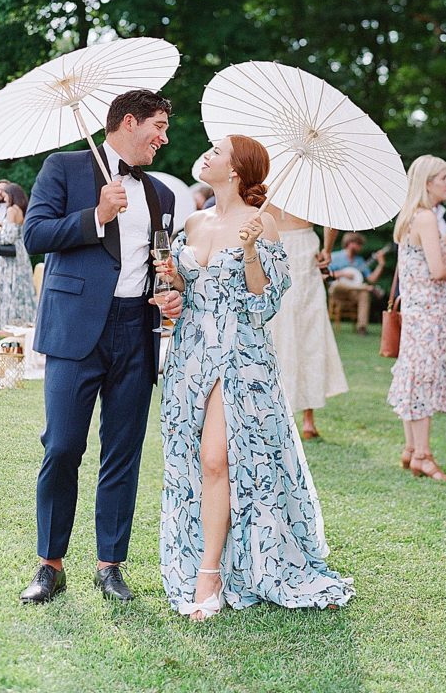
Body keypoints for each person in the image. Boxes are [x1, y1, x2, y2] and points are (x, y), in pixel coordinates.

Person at [158, 135, 355, 620]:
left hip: (239, 356)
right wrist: (172, 287)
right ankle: (212, 557)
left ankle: (211, 575)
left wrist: (249, 253)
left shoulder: (261, 223)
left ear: (239, 169)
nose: (206, 154)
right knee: (192, 462)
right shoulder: (193, 220)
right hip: (189, 354)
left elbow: (265, 303)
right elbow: (187, 288)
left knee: (215, 459)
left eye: (218, 152)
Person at [19, 90, 180, 606]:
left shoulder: (162, 194)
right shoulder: (63, 168)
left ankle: (110, 565)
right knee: (62, 446)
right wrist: (97, 215)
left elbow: (159, 255)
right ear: (128, 122)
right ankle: (50, 563)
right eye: (157, 125)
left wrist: (168, 285)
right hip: (74, 331)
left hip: (136, 330)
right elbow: (35, 234)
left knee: (123, 451)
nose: (163, 137)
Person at [387, 155, 446, 483]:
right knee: (424, 380)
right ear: (428, 182)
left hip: (415, 312)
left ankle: (411, 448)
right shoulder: (427, 218)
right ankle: (423, 455)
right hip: (428, 314)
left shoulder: (409, 217)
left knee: (412, 376)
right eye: (443, 177)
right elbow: (438, 271)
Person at [267, 206, 348, 440]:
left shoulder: (263, 173)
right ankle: (308, 419)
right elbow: (331, 216)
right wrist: (328, 249)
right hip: (303, 243)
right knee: (309, 330)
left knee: (277, 329)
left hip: (272, 243)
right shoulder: (310, 177)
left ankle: (279, 410)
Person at [0, 184, 38, 330]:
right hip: (21, 253)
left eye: (6, 194)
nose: (4, 197)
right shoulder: (22, 209)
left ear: (12, 195)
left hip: (9, 258)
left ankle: (6, 324)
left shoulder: (11, 210)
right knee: (21, 289)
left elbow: (8, 237)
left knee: (8, 290)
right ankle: (24, 322)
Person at [328, 232, 387, 334]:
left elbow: (372, 279)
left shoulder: (360, 261)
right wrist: (342, 274)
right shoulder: (335, 256)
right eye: (358, 244)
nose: (360, 247)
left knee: (364, 294)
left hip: (353, 292)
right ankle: (366, 288)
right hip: (338, 290)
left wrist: (381, 264)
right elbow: (326, 275)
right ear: (350, 243)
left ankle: (362, 328)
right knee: (338, 285)